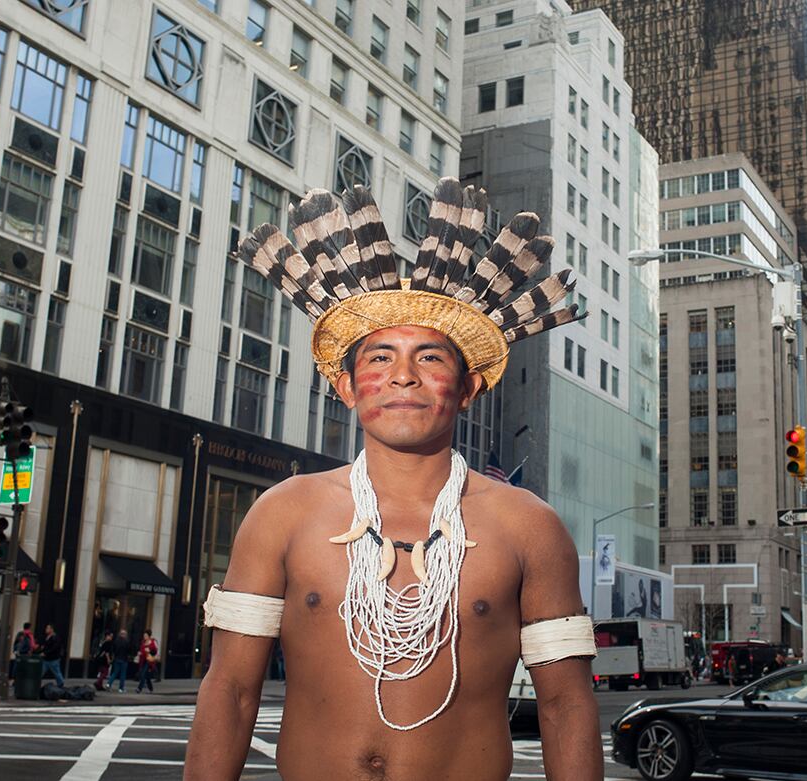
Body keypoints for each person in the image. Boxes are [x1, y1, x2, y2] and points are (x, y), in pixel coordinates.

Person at [186, 179, 601, 780]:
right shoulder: (283, 511)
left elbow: (564, 705)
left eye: (430, 358)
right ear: (347, 387)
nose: (403, 375)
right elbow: (229, 689)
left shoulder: (528, 525)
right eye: (379, 358)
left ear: (466, 388)